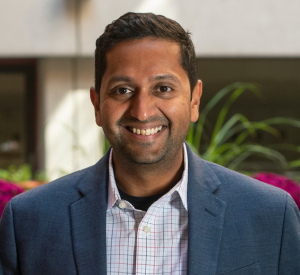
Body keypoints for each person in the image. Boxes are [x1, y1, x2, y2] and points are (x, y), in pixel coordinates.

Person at [0, 12, 300, 275]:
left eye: (163, 88)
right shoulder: (28, 220)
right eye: (122, 90)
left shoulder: (271, 215)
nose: (142, 111)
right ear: (96, 104)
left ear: (194, 100)